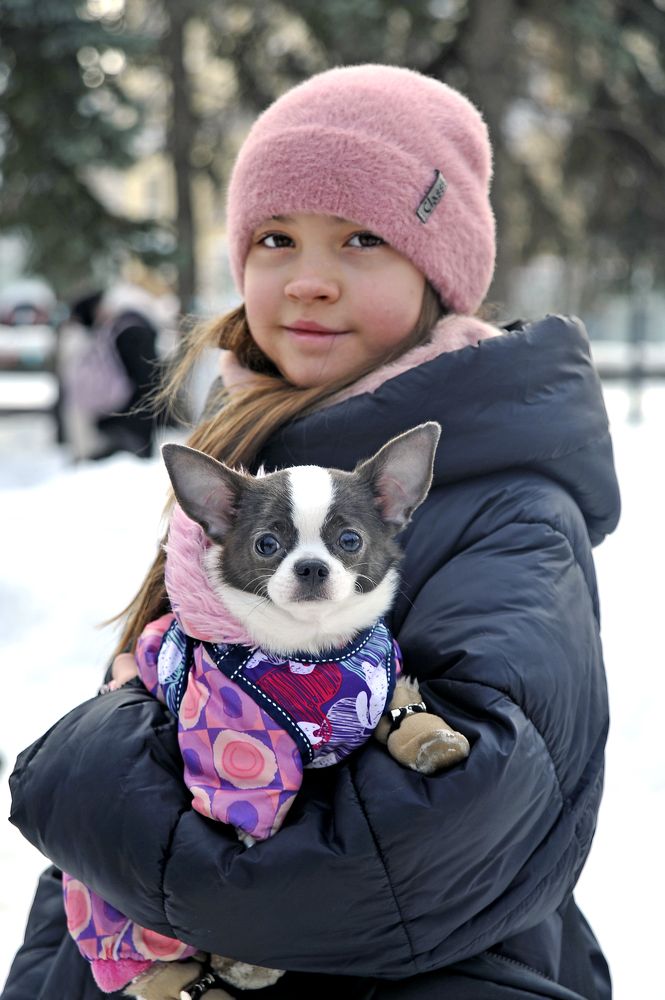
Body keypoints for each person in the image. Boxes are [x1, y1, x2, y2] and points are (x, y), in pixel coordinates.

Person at [4, 64, 620, 1000]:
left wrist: (78, 784)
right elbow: (133, 783)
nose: (309, 282)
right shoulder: (244, 468)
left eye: (363, 238)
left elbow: (430, 839)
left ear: (437, 269)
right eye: (275, 238)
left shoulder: (506, 508)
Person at [63, 284, 163, 461]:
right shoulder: (132, 328)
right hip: (130, 418)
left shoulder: (122, 327)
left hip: (115, 414)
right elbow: (147, 379)